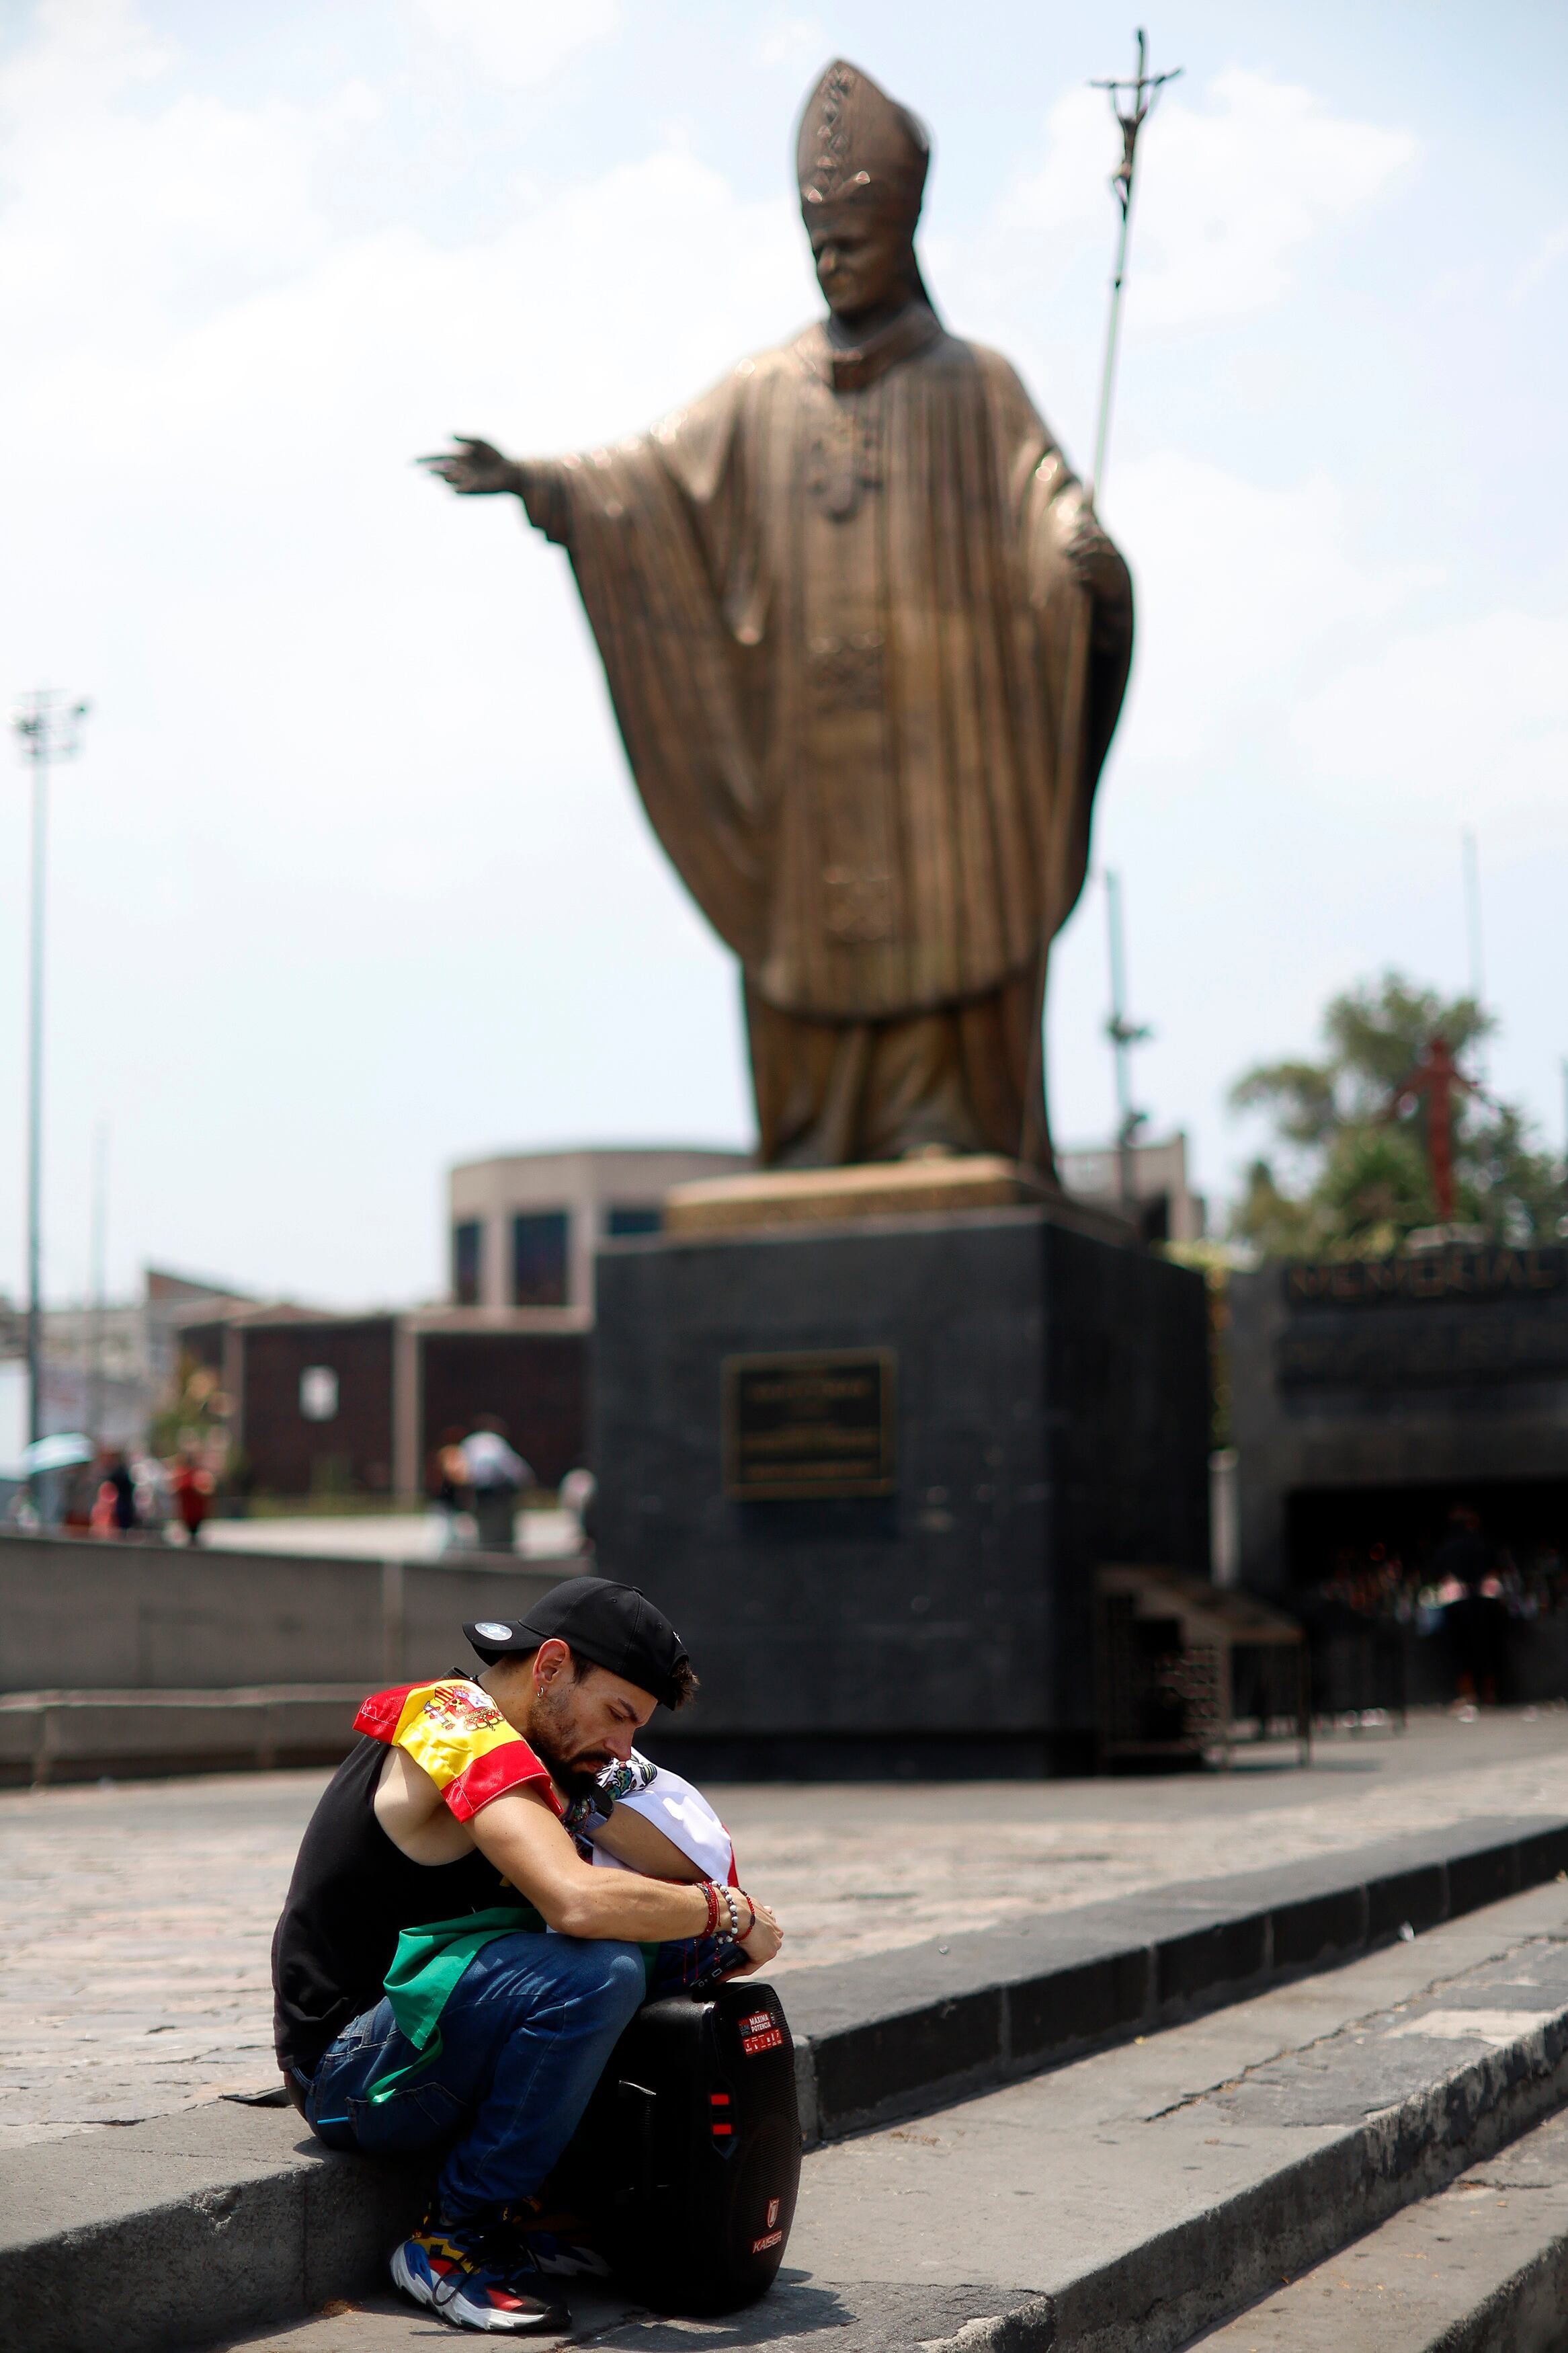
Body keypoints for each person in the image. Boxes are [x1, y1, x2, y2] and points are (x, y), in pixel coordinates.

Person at [421, 59, 1132, 1172]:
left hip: (940, 750)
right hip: (812, 750)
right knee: (803, 934)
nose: (834, 258)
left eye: (853, 238)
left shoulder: (974, 383)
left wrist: (1074, 557)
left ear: (904, 232)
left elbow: (1041, 497)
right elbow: (650, 480)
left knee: (947, 913)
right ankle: (817, 1140)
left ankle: (939, 1125)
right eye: (819, 243)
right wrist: (543, 483)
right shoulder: (762, 390)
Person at [272, 1577, 782, 2334]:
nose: (622, 1748)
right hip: (352, 2068)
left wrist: (714, 1924)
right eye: (616, 1715)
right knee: (595, 1971)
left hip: (426, 2033)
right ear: (548, 1666)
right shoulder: (457, 1727)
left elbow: (678, 1873)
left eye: (634, 1730)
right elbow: (574, 1900)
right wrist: (726, 1910)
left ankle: (554, 2204)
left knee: (680, 1952)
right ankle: (453, 2238)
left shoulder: (534, 1755)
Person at [461, 1414, 531, 1554]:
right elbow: (511, 1467)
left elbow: (466, 1470)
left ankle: (487, 1552)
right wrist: (525, 1480)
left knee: (485, 1527)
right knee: (501, 1527)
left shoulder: (469, 1443)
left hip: (480, 1492)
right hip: (498, 1491)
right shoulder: (495, 1442)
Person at [170, 1449, 214, 1545]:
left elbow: (208, 1491)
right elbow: (173, 1490)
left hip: (197, 1512)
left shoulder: (199, 1474)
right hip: (187, 1512)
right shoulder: (180, 1474)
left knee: (195, 1535)